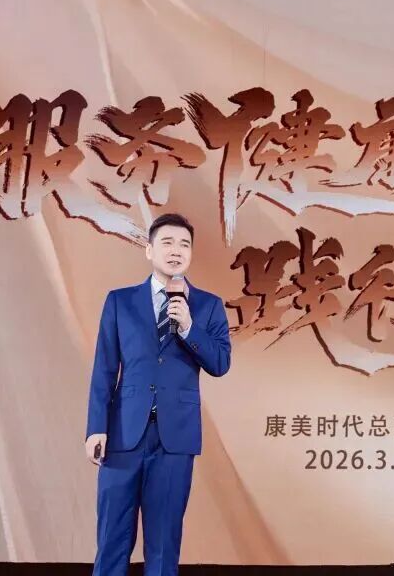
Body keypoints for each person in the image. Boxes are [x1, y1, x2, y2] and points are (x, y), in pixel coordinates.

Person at [85, 213, 231, 575]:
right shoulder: (120, 301)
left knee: (164, 545)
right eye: (167, 243)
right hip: (123, 435)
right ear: (149, 250)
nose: (176, 251)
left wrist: (189, 327)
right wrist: (96, 427)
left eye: (184, 244)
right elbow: (104, 369)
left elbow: (220, 363)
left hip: (174, 440)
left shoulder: (208, 306)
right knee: (112, 539)